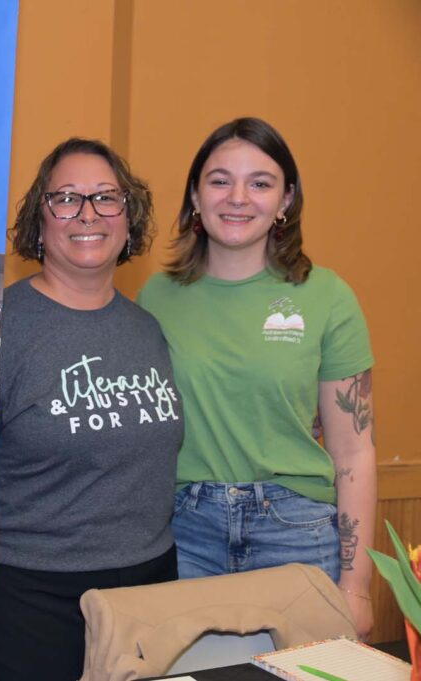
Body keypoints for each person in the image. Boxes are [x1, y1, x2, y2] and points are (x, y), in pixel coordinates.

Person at [138, 117, 376, 640]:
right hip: (186, 534)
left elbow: (354, 451)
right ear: (195, 196)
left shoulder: (328, 297)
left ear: (286, 200)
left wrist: (357, 585)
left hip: (298, 535)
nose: (238, 198)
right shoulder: (155, 298)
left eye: (261, 183)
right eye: (220, 180)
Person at [0, 138, 183, 680]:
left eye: (106, 197)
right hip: (32, 598)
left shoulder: (146, 329)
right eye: (67, 198)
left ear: (127, 218)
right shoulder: (1, 328)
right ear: (40, 220)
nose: (88, 213)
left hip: (149, 591)